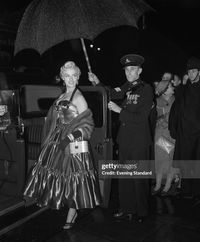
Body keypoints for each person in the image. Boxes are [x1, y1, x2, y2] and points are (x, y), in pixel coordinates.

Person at [23, 61, 101, 229]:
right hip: (58, 139)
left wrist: (68, 139)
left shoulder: (79, 98)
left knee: (75, 176)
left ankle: (72, 213)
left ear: (78, 77)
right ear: (62, 78)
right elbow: (56, 117)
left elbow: (88, 126)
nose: (70, 78)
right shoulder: (62, 95)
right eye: (67, 75)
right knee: (54, 171)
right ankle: (54, 198)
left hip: (74, 143)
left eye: (74, 75)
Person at [88, 54, 154, 222]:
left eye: (132, 69)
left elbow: (141, 117)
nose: (129, 72)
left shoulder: (146, 89)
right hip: (124, 140)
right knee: (125, 177)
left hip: (139, 141)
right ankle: (127, 208)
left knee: (139, 178)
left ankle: (142, 212)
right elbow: (111, 93)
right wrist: (97, 82)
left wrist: (119, 111)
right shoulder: (126, 86)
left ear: (140, 70)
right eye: (126, 70)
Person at [169, 57, 200, 201]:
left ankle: (196, 190)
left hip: (198, 134)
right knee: (186, 161)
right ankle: (186, 189)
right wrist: (174, 127)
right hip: (185, 133)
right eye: (189, 71)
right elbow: (177, 107)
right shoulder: (184, 89)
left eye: (194, 71)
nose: (192, 74)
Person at [152, 73, 180, 196]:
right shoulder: (156, 102)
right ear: (164, 91)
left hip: (172, 134)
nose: (173, 88)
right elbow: (153, 118)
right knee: (160, 159)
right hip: (160, 135)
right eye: (170, 87)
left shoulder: (177, 101)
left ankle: (167, 185)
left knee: (169, 160)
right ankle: (158, 184)